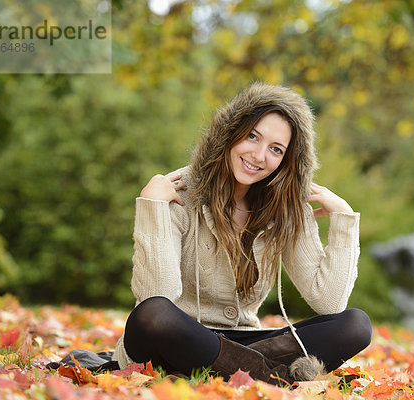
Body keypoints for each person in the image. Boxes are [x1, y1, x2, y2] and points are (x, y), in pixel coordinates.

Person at [112, 82, 372, 385]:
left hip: (244, 342)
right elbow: (157, 296)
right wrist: (153, 207)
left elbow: (330, 304)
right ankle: (269, 378)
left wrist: (344, 220)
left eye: (276, 150)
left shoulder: (286, 208)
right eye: (252, 136)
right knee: (152, 315)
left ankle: (229, 373)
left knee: (355, 324)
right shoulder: (179, 194)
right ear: (230, 133)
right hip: (178, 337)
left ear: (286, 161)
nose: (259, 156)